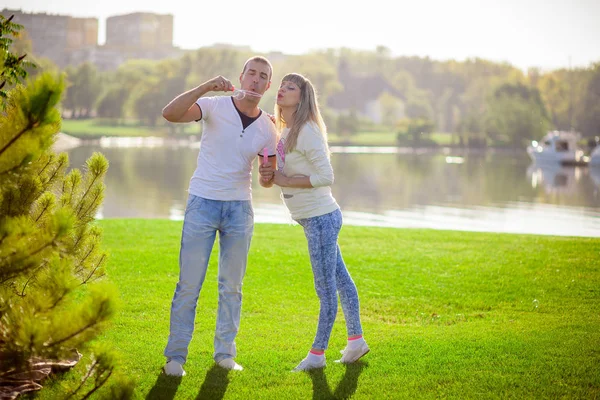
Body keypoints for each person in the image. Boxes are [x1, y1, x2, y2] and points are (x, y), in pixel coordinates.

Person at [161, 56, 278, 376]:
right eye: (251, 73)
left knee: (232, 286)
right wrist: (205, 86)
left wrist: (268, 174)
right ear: (241, 76)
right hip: (202, 203)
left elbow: (266, 180)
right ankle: (176, 358)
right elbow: (169, 114)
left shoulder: (269, 127)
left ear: (268, 86)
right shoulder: (213, 106)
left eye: (262, 77)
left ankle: (225, 352)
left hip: (239, 210)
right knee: (189, 284)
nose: (255, 80)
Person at [259, 73, 369, 371]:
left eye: (290, 87)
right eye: (281, 86)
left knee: (325, 290)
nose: (282, 90)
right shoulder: (287, 129)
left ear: (302, 96)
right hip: (313, 220)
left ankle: (317, 356)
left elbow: (326, 177)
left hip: (321, 219)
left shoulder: (306, 131)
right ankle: (356, 341)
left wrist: (287, 180)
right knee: (342, 282)